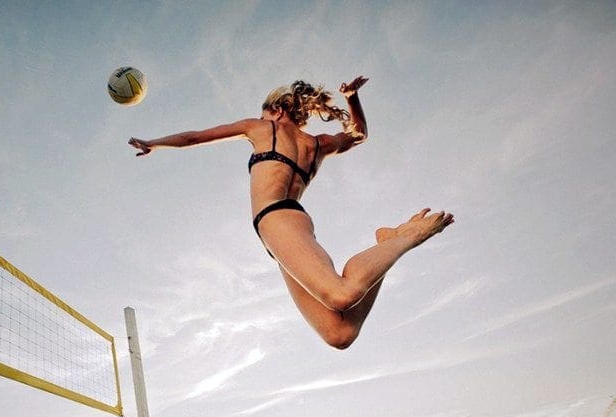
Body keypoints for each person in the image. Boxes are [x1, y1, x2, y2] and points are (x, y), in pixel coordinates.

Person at [128, 76, 454, 349]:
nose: (261, 117)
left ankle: (402, 240)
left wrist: (154, 143)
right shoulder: (318, 143)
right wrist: (352, 99)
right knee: (339, 333)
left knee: (342, 295)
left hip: (277, 219)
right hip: (286, 228)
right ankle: (386, 242)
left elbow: (194, 138)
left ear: (276, 109)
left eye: (264, 112)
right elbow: (358, 134)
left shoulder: (261, 127)